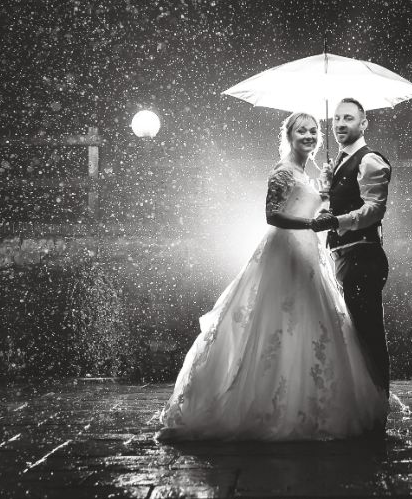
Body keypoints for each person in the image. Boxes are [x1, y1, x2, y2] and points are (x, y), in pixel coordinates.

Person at [155, 111, 387, 441]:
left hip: (308, 253)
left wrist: (325, 191)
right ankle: (265, 403)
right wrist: (310, 224)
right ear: (289, 136)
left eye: (313, 131)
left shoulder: (307, 172)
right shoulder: (282, 170)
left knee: (310, 323)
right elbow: (272, 214)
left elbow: (312, 203)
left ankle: (305, 401)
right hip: (284, 251)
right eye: (301, 131)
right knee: (277, 321)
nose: (309, 136)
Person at [311, 98, 392, 395]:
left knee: (368, 333)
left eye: (348, 118)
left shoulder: (370, 160)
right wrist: (327, 186)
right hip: (345, 257)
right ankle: (365, 398)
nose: (340, 124)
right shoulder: (341, 162)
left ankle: (378, 401)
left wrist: (336, 221)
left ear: (364, 123)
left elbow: (374, 210)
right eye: (336, 119)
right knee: (355, 334)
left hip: (363, 256)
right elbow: (336, 205)